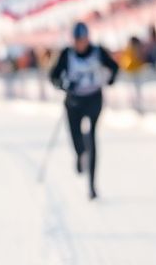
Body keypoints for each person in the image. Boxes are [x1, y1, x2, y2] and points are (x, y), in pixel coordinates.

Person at [48, 21, 118, 200]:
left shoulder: (97, 52)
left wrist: (109, 80)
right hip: (74, 102)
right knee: (77, 138)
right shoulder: (67, 54)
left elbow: (114, 67)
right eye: (78, 40)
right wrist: (65, 84)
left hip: (93, 99)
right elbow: (53, 76)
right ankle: (80, 154)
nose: (81, 43)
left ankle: (92, 185)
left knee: (92, 138)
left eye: (84, 39)